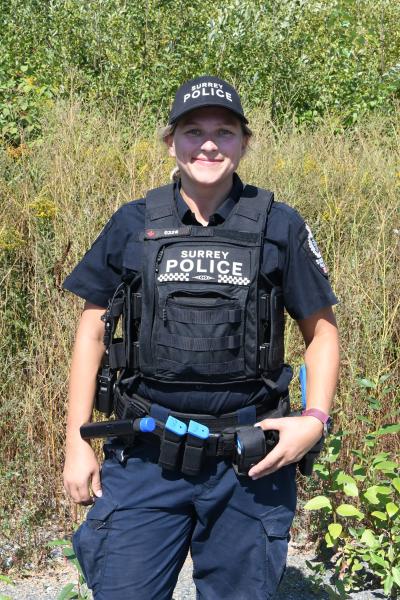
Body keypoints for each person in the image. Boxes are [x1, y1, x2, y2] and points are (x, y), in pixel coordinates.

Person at [62, 75, 340, 600]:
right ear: (171, 141)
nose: (209, 144)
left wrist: (314, 420)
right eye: (194, 130)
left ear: (244, 142)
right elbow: (91, 332)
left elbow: (321, 332)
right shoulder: (133, 222)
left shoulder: (279, 225)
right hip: (146, 454)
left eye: (225, 131)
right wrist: (78, 441)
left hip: (249, 461)